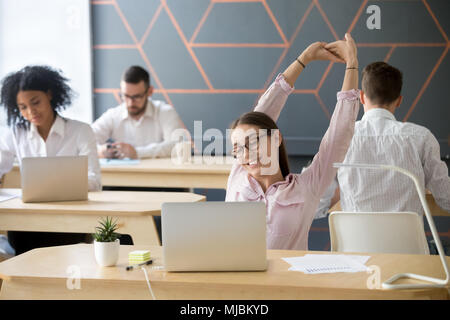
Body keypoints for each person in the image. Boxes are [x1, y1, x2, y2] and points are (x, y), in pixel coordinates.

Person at [226, 34, 360, 250]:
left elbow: (339, 135)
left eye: (252, 142)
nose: (246, 154)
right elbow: (260, 114)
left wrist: (352, 65)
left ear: (276, 138)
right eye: (238, 149)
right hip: (234, 281)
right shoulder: (238, 178)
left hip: (287, 282)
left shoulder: (308, 187)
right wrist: (304, 57)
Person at [0, 65, 102, 255]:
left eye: (35, 102)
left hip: (70, 222)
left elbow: (94, 181)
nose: (31, 112)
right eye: (23, 107)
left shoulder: (80, 131)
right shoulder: (15, 134)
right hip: (27, 225)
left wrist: (59, 186)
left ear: (49, 94)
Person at [336, 61, 450, 216]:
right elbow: (445, 197)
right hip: (407, 240)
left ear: (361, 97)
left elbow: (317, 201)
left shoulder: (341, 136)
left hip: (354, 240)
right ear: (399, 100)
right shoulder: (422, 138)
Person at [92, 65, 186, 159]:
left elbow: (178, 146)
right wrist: (101, 151)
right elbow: (85, 140)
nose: (130, 102)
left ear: (149, 92)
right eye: (126, 96)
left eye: (137, 97)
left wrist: (137, 153)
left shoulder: (165, 112)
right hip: (123, 173)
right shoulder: (113, 115)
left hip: (158, 173)